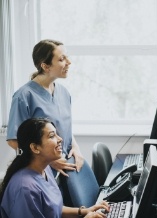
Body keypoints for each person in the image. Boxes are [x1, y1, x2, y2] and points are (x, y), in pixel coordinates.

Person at [0, 118, 109, 218]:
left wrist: (83, 211)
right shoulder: (25, 188)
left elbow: (53, 209)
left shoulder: (45, 169)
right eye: (52, 136)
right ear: (35, 147)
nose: (60, 139)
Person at [6, 39, 83, 178]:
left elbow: (64, 129)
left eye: (67, 57)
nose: (69, 62)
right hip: (41, 171)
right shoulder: (23, 96)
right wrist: (49, 162)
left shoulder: (64, 93)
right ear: (46, 66)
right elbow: (14, 140)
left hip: (66, 167)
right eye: (62, 59)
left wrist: (75, 148)